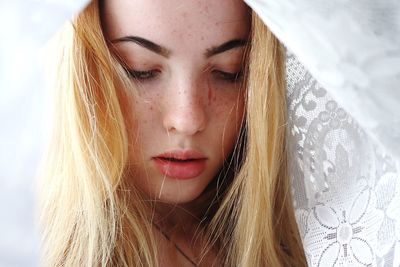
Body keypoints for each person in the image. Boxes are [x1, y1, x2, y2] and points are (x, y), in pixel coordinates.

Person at [39, 0, 307, 266]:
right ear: (83, 72)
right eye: (141, 70)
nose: (187, 120)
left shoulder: (318, 235)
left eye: (228, 71)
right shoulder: (28, 246)